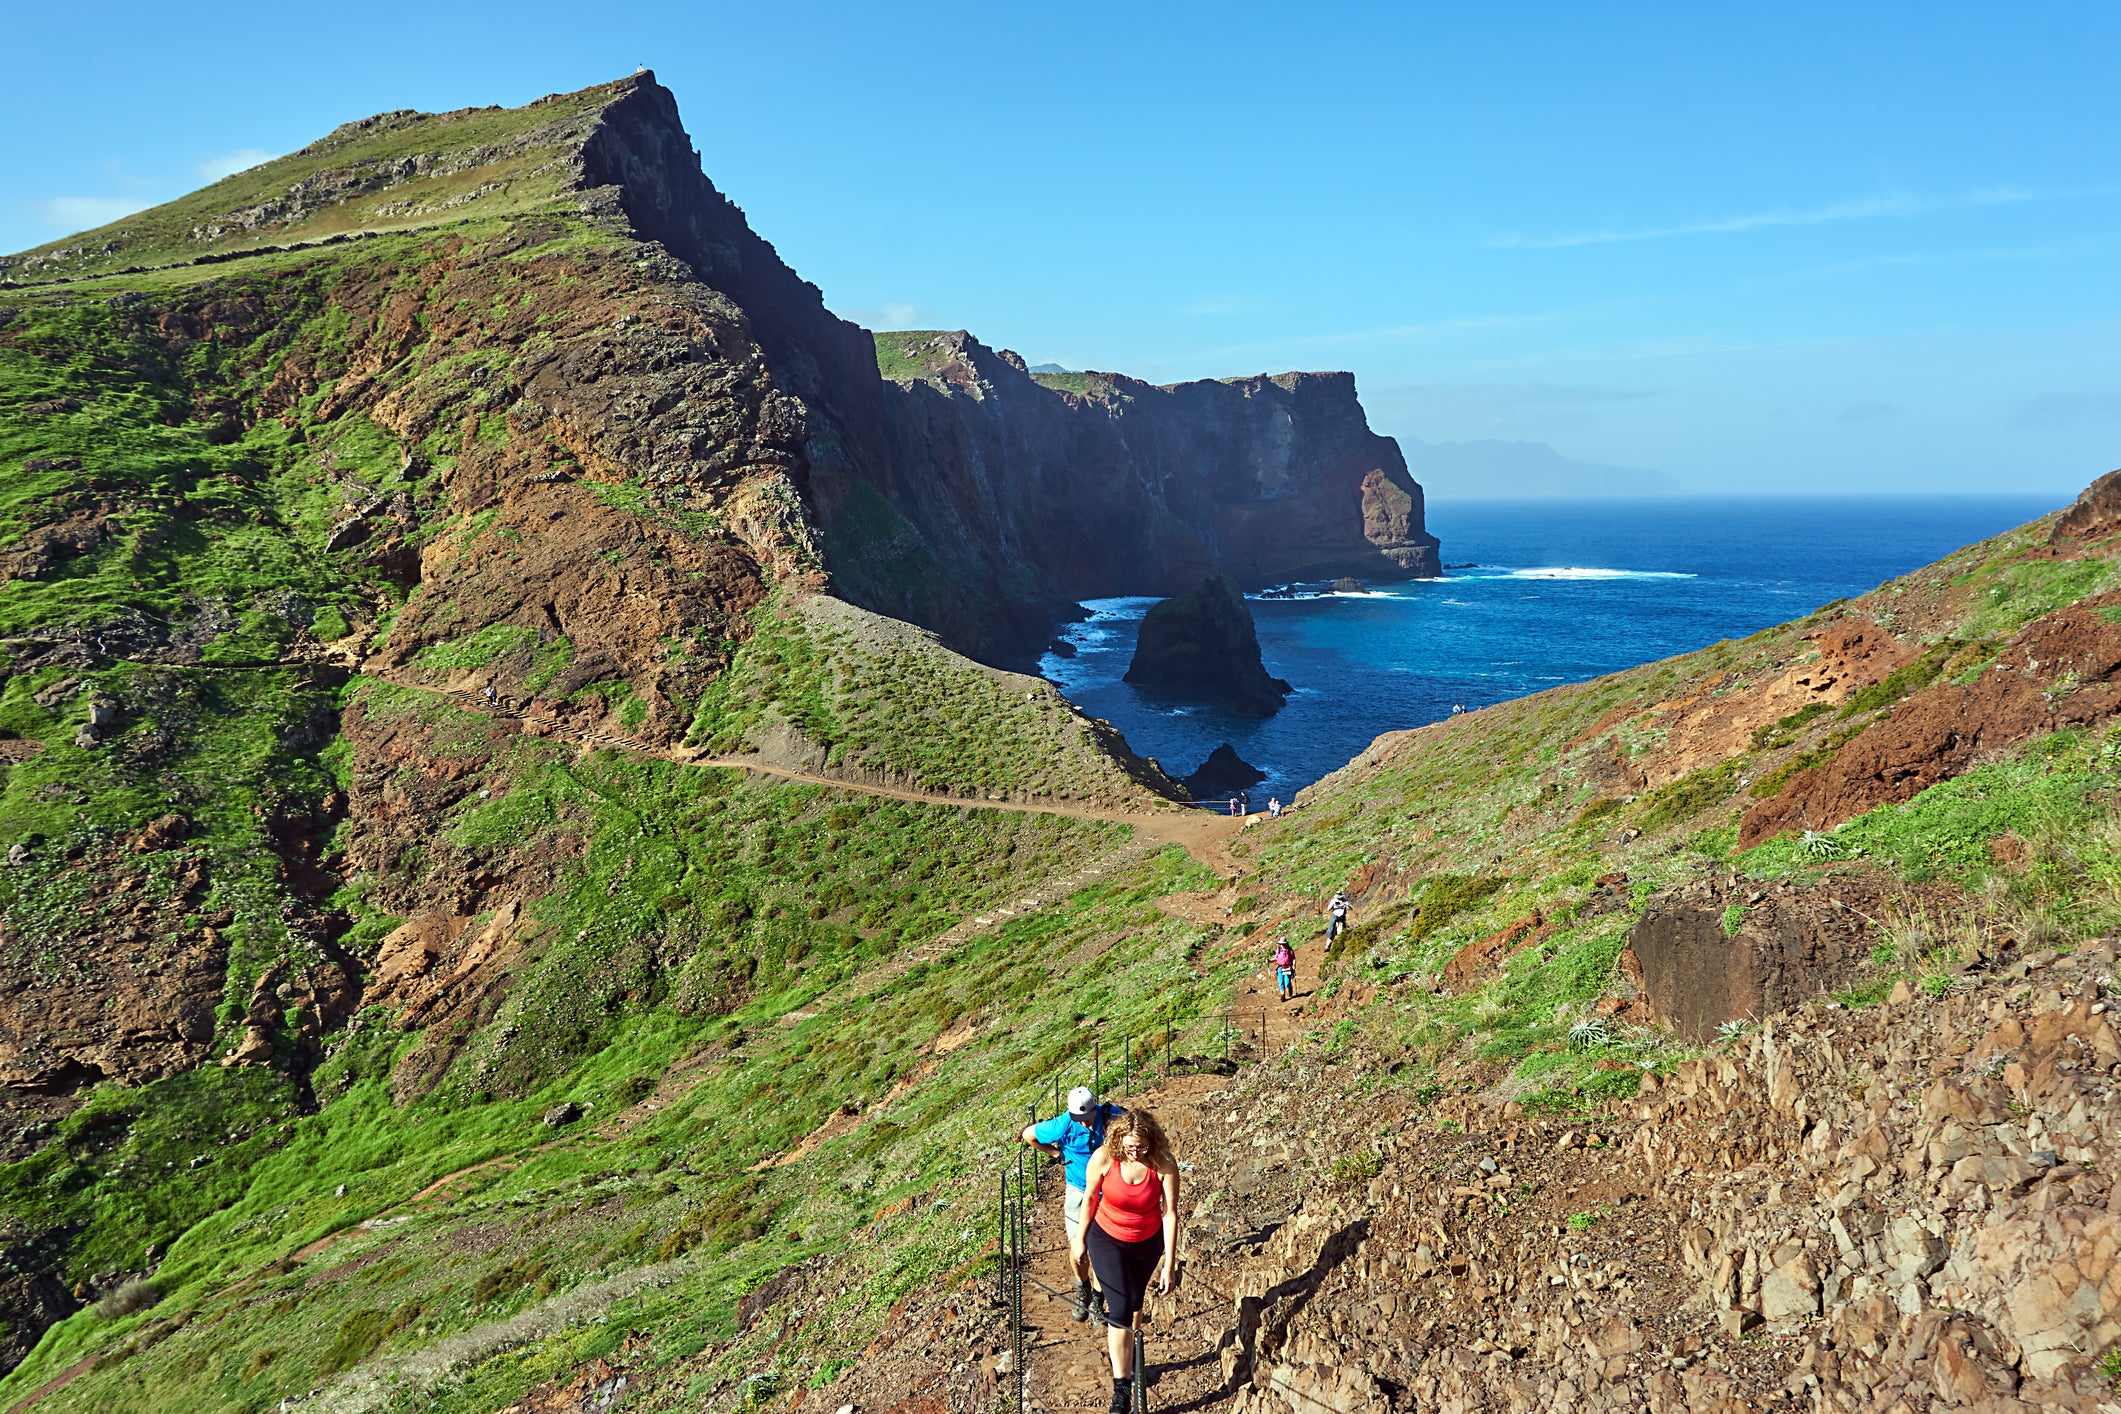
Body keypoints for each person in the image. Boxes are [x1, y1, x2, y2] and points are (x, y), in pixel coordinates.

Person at [1070, 1109, 1180, 1413]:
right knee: (1119, 1309)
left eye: (1142, 1146)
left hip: (1147, 1242)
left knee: (1134, 1303)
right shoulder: (1105, 1157)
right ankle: (1121, 1390)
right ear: (1120, 1139)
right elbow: (1090, 1197)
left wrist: (1169, 1263)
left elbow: (1169, 1213)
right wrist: (1080, 1239)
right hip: (1106, 1237)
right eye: (1131, 1146)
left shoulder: (1163, 1164)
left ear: (1152, 1141)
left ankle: (1132, 1360)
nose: (1136, 1152)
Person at [1020, 1086, 1125, 1322]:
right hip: (1078, 1190)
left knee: (1103, 1251)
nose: (1086, 1124)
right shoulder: (1063, 1124)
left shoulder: (1112, 1115)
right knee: (1078, 1249)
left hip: (1107, 1191)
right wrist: (1055, 1154)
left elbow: (1136, 1127)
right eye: (1081, 1120)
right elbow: (1028, 1134)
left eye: (1089, 1118)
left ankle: (1097, 1300)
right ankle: (1082, 1288)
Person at [1272, 936, 1295, 1001]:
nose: (1282, 945)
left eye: (1283, 944)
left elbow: (1293, 958)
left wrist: (1294, 965)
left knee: (1287, 982)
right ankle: (1283, 995)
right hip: (1280, 967)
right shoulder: (1278, 950)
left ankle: (1289, 987)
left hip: (1288, 967)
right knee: (1281, 981)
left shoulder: (1290, 950)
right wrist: (1270, 961)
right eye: (1281, 944)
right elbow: (1276, 958)